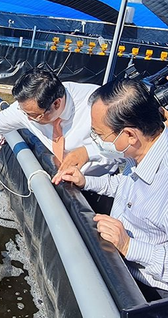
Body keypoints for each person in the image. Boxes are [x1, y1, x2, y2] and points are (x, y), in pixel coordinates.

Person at [53, 79, 168, 299]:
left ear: (130, 135)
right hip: (120, 263)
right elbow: (126, 186)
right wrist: (86, 181)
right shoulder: (141, 152)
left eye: (99, 135)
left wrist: (128, 246)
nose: (95, 141)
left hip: (149, 291)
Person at [0, 68, 116, 176]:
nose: (27, 119)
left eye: (34, 116)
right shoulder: (27, 109)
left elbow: (135, 145)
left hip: (101, 183)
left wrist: (88, 151)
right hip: (64, 180)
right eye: (24, 112)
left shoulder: (99, 105)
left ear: (56, 103)